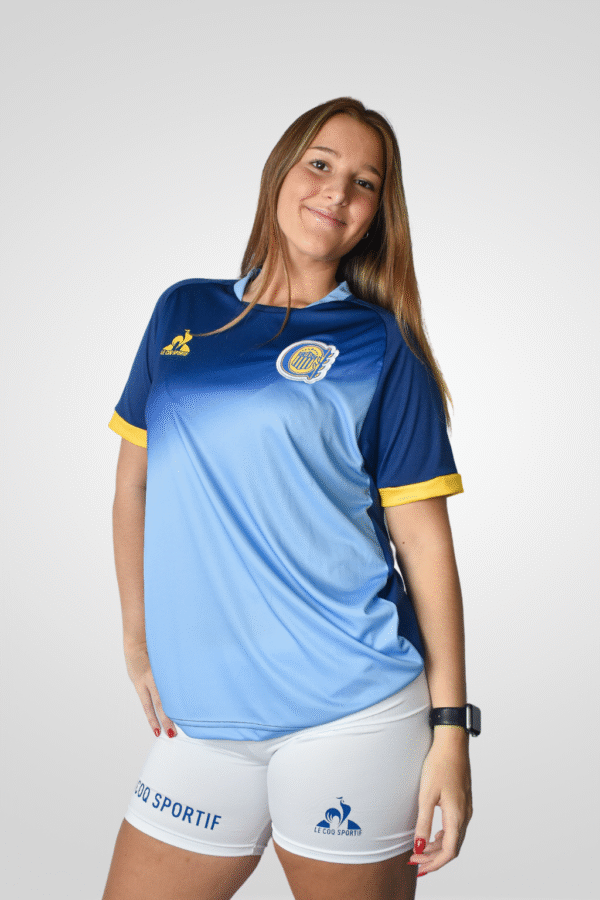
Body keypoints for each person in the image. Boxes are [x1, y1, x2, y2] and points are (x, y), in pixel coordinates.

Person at [102, 96, 477, 900]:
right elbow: (134, 482)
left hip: (351, 714)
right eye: (321, 164)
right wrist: (136, 638)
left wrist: (451, 732)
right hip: (199, 721)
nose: (337, 191)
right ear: (280, 172)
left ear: (376, 215)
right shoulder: (183, 311)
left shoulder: (382, 348)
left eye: (365, 183)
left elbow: (424, 547)